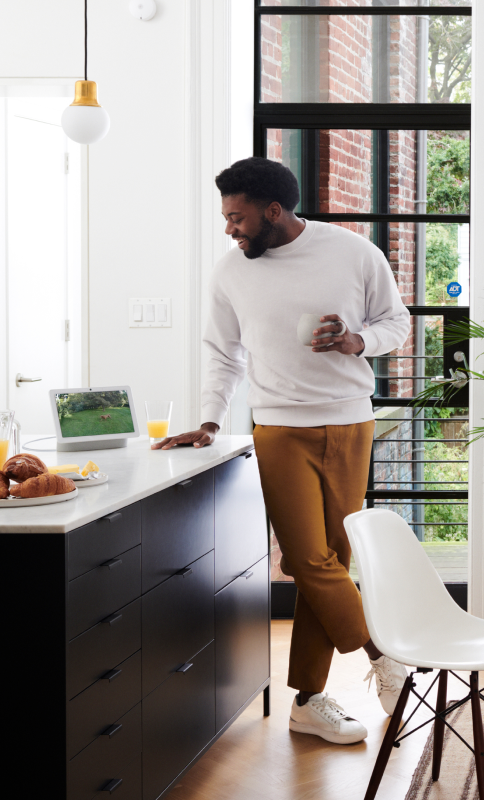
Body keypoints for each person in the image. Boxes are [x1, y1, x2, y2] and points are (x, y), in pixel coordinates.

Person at [154, 156, 413, 746]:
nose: (229, 229)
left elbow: (397, 322)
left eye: (238, 218)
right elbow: (223, 354)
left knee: (330, 563)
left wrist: (357, 341)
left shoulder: (354, 253)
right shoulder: (230, 274)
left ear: (274, 212)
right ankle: (386, 657)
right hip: (278, 429)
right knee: (308, 560)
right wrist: (208, 420)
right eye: (226, 218)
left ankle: (307, 700)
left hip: (351, 424)